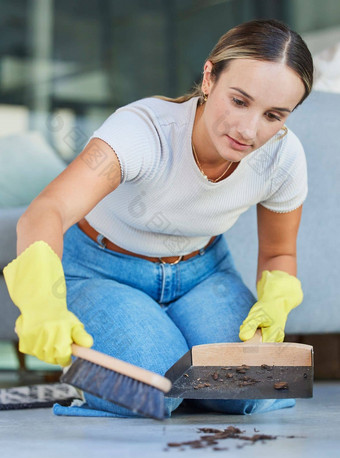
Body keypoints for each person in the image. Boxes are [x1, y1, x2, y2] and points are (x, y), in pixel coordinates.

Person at [4, 18, 313, 418]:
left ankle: (171, 360)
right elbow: (47, 210)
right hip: (102, 270)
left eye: (274, 115)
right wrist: (41, 303)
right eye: (239, 100)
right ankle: (135, 364)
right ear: (209, 77)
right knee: (157, 391)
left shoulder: (283, 159)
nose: (249, 130)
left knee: (251, 391)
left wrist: (277, 299)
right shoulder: (143, 131)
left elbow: (277, 253)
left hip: (203, 274)